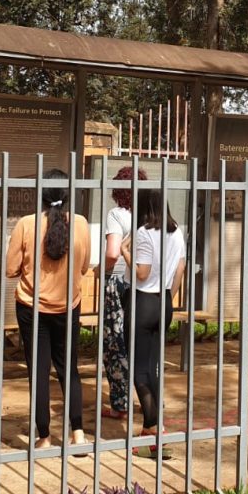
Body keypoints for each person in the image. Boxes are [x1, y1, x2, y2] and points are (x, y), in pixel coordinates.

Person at [5, 169, 91, 450]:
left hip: (32, 307)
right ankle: (78, 434)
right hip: (69, 305)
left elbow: (10, 269)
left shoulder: (26, 224)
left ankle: (44, 437)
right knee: (69, 370)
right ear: (68, 194)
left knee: (39, 372)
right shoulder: (80, 223)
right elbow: (83, 266)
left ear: (41, 194)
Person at [121, 187, 186, 458]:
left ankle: (154, 427)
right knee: (153, 367)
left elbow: (142, 274)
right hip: (164, 302)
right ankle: (152, 429)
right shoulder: (176, 231)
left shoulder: (144, 233)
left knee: (139, 369)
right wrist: (168, 297)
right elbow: (180, 268)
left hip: (143, 302)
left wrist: (125, 250)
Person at [101, 165, 145, 419]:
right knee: (143, 341)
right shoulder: (151, 214)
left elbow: (112, 252)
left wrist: (101, 271)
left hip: (117, 280)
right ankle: (150, 398)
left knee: (116, 342)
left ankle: (121, 403)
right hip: (144, 282)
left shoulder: (117, 214)